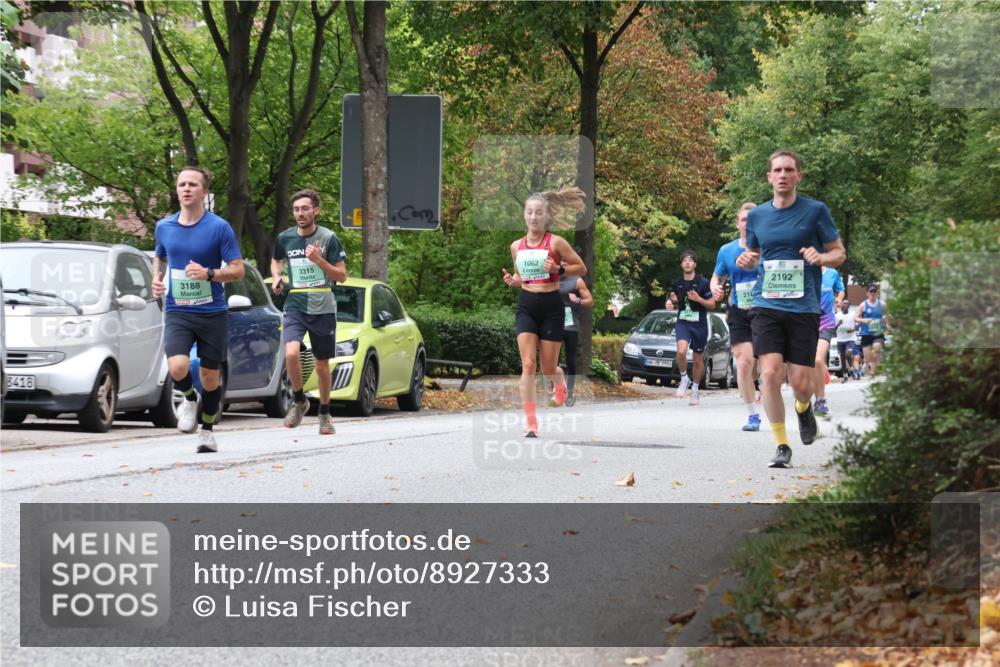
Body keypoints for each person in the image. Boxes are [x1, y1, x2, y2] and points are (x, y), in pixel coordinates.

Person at [736, 150, 846, 468]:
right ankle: (782, 445)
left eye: (789, 170)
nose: (783, 175)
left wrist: (821, 258)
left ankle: (802, 408)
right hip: (766, 304)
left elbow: (838, 253)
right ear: (769, 177)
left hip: (804, 307)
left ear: (798, 175)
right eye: (777, 170)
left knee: (801, 383)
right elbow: (755, 253)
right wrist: (748, 259)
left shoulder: (815, 212)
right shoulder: (757, 216)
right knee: (769, 373)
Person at [152, 166, 244, 453]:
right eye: (182, 184)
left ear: (204, 192)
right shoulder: (164, 226)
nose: (186, 188)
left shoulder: (219, 227)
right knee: (177, 366)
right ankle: (189, 398)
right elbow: (160, 256)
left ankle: (206, 431)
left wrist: (209, 274)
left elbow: (238, 270)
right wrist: (156, 279)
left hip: (213, 313)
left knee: (210, 377)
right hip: (179, 310)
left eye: (193, 184)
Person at [502, 188, 587, 437]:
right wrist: (515, 280)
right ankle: (531, 421)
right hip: (527, 305)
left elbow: (580, 267)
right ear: (524, 215)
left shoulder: (556, 242)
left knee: (548, 368)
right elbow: (522, 276)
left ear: (546, 216)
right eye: (529, 212)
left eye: (539, 212)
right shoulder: (516, 246)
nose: (533, 217)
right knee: (528, 364)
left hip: (551, 306)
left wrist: (559, 269)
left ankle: (558, 384)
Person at [270, 188, 347, 435]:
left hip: (323, 305)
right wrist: (276, 276)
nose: (300, 213)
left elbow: (342, 276)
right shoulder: (285, 238)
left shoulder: (329, 238)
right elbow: (276, 260)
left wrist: (320, 262)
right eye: (296, 209)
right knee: (291, 353)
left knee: (322, 366)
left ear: (316, 210)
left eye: (305, 208)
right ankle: (300, 400)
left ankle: (324, 412)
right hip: (295, 303)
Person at [712, 202, 764, 430]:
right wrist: (715, 288)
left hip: (765, 310)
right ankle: (752, 414)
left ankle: (763, 387)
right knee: (743, 363)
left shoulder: (768, 246)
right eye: (743, 219)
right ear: (737, 224)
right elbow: (717, 277)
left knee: (768, 365)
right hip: (738, 311)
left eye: (751, 219)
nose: (747, 223)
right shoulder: (727, 250)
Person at [668, 250, 716, 406]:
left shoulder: (703, 282)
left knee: (697, 359)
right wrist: (675, 301)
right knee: (681, 351)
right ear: (681, 264)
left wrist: (699, 298)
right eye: (684, 260)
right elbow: (677, 303)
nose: (687, 262)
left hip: (699, 323)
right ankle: (684, 378)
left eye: (690, 260)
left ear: (695, 264)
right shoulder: (676, 283)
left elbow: (712, 305)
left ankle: (695, 389)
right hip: (683, 321)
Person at [558, 266, 594, 407]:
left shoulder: (576, 281)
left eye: (564, 263)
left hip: (571, 326)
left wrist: (578, 300)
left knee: (571, 360)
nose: (561, 266)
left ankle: (570, 392)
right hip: (554, 324)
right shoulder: (549, 279)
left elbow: (590, 301)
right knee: (551, 361)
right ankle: (558, 389)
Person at [813, 266, 846, 416]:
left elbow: (841, 290)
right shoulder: (804, 270)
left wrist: (839, 298)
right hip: (805, 321)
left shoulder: (832, 273)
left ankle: (820, 400)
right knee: (806, 364)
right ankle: (804, 397)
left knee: (818, 360)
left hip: (826, 322)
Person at [856, 284, 889, 376]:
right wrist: (864, 320)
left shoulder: (882, 304)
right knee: (867, 358)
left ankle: (874, 373)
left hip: (878, 333)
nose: (873, 293)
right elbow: (855, 318)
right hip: (866, 334)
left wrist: (888, 326)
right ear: (867, 293)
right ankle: (866, 364)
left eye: (874, 291)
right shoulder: (863, 305)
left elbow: (886, 316)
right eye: (871, 291)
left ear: (877, 293)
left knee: (876, 347)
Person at [835, 300, 861, 381]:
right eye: (844, 303)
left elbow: (858, 325)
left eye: (847, 304)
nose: (845, 305)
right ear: (841, 305)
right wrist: (838, 323)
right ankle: (845, 375)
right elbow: (833, 328)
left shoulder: (853, 314)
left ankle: (853, 370)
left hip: (850, 339)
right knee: (842, 357)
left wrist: (852, 330)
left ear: (849, 306)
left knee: (848, 354)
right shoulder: (837, 315)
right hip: (840, 340)